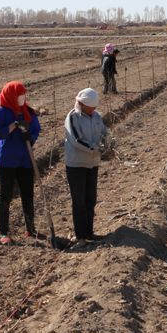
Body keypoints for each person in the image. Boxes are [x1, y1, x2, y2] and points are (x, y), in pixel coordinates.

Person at [0, 81, 42, 245]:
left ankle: (30, 228)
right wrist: (13, 126)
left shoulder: (27, 111)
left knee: (27, 194)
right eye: (19, 95)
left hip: (25, 159)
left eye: (24, 95)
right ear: (11, 96)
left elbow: (36, 129)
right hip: (7, 161)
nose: (23, 98)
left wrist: (31, 137)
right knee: (5, 196)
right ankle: (3, 233)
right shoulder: (0, 113)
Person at [63, 88, 110, 247]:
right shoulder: (72, 117)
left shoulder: (96, 116)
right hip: (76, 164)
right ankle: (80, 236)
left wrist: (108, 143)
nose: (94, 110)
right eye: (91, 107)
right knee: (79, 201)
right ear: (82, 104)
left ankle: (89, 234)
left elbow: (104, 132)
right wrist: (94, 148)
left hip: (92, 164)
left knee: (91, 199)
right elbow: (76, 140)